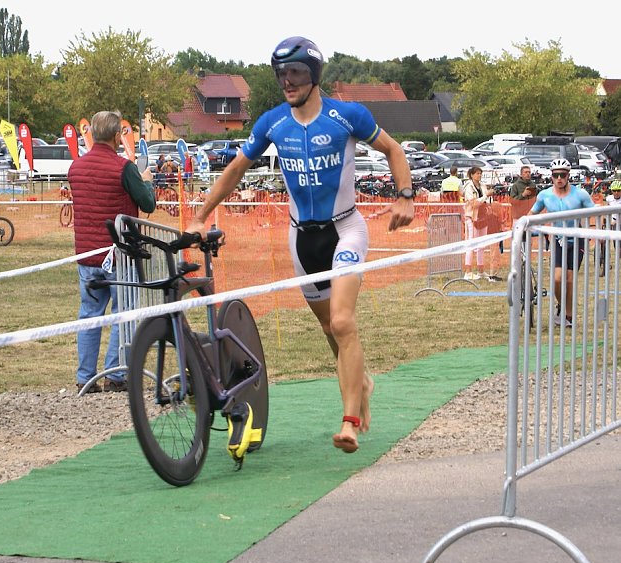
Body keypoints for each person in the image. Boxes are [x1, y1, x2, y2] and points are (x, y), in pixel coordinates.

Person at [185, 37, 414, 454]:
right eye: (281, 74)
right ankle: (360, 380)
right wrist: (201, 216)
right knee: (330, 328)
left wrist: (405, 195)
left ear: (313, 76)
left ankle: (349, 421)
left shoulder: (346, 116)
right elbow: (236, 168)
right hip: (301, 239)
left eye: (295, 73)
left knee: (344, 322)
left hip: (345, 230)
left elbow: (393, 149)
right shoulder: (273, 123)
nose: (287, 81)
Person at [68, 110, 156, 394]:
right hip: (119, 254)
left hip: (87, 254)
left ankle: (85, 377)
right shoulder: (123, 168)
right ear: (118, 136)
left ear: (92, 133)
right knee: (123, 312)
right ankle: (116, 375)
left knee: (89, 315)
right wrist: (146, 182)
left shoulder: (76, 168)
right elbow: (147, 203)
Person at [529, 158, 595, 327]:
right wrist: (521, 224)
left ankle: (569, 316)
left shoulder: (580, 194)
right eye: (556, 175)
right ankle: (562, 306)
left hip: (577, 239)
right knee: (558, 279)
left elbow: (596, 211)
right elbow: (533, 212)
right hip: (558, 240)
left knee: (570, 279)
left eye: (563, 175)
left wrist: (598, 231)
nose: (559, 178)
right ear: (551, 176)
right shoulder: (545, 195)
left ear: (568, 176)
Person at [461, 166, 494, 280]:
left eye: (480, 173)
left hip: (483, 217)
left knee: (482, 244)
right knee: (471, 243)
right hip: (472, 217)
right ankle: (468, 271)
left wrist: (489, 197)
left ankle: (481, 270)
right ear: (471, 175)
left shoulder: (483, 186)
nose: (479, 175)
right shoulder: (468, 187)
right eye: (477, 173)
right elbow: (473, 203)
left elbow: (488, 201)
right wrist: (486, 196)